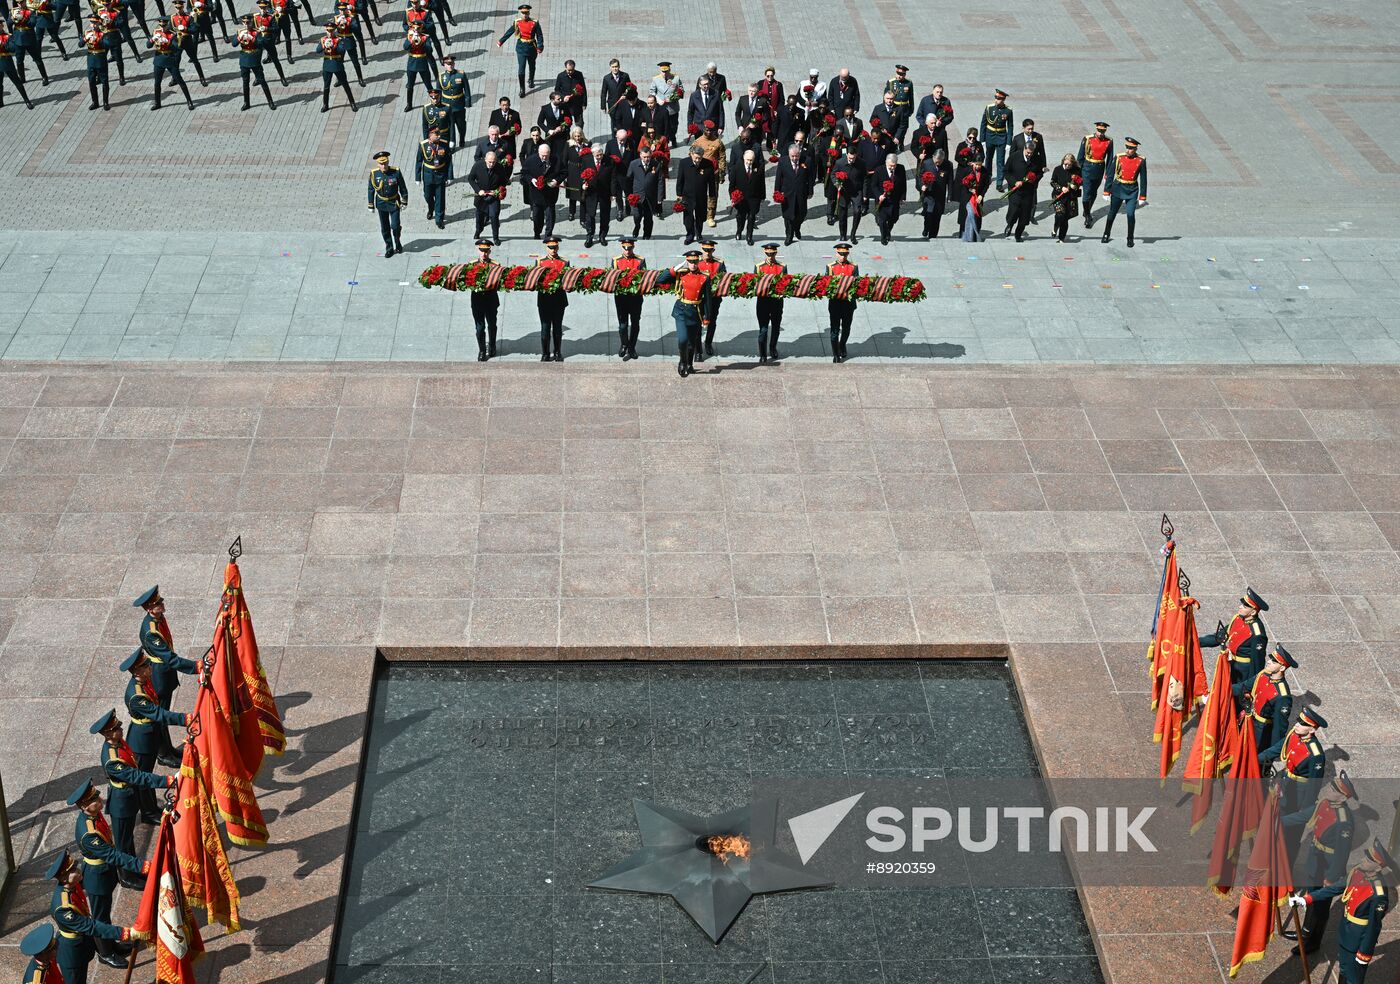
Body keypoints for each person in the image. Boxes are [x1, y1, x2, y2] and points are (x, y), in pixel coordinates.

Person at [67, 779, 148, 969]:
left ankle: (112, 945)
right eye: (95, 800)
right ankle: (105, 953)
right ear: (84, 806)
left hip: (105, 873)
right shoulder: (89, 834)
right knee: (100, 917)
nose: (100, 800)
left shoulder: (94, 815)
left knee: (105, 912)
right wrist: (142, 866)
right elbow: (112, 855)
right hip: (97, 878)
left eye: (97, 796)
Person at [1289, 839, 1394, 982]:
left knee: (1353, 978)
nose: (1363, 860)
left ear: (1378, 866)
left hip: (1358, 938)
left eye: (1369, 859)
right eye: (1366, 856)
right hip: (1346, 931)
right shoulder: (1357, 872)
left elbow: (1374, 927)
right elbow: (1335, 888)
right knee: (1344, 968)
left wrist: (1364, 953)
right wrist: (1307, 899)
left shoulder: (1378, 894)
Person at [91, 707, 175, 872]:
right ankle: (127, 876)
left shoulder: (119, 743)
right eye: (116, 728)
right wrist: (168, 781)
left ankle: (133, 869)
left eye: (118, 726)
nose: (121, 729)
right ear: (107, 734)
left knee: (128, 838)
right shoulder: (112, 760)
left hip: (129, 795)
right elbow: (136, 776)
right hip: (121, 802)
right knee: (124, 842)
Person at [1283, 772, 1356, 955]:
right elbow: (1303, 816)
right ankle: (1305, 932)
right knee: (1311, 897)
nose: (1329, 789)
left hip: (1328, 867)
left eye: (1334, 788)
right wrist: (1277, 821)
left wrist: (1331, 878)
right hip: (1315, 859)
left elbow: (1341, 854)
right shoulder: (1325, 804)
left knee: (1321, 905)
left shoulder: (1344, 821)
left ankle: (1313, 941)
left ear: (1342, 796)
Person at [46, 855, 140, 982]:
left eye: (75, 867)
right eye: (72, 871)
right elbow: (91, 926)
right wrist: (126, 933)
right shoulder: (63, 909)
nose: (78, 871)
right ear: (64, 878)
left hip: (83, 944)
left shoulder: (72, 885)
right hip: (72, 953)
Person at [1198, 587, 1269, 690]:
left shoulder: (1257, 634)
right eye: (1242, 604)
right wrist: (1196, 641)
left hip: (1244, 672)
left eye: (1244, 606)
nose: (1240, 607)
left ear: (1253, 612)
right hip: (1231, 664)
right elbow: (1220, 637)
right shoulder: (1237, 618)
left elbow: (1257, 663)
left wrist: (1251, 687)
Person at [655, 249, 710, 377]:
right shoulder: (681, 274)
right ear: (687, 262)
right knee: (683, 340)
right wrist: (675, 268)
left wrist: (707, 316)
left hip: (696, 312)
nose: (693, 264)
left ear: (698, 261)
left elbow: (707, 299)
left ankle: (689, 364)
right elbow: (660, 280)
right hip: (681, 311)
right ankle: (682, 361)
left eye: (695, 261)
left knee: (691, 342)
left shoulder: (705, 277)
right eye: (690, 262)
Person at [1100, 136, 1147, 247]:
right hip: (1118, 188)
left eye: (1131, 148)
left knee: (1130, 214)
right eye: (1127, 147)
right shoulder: (1118, 157)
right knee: (1112, 213)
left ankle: (1130, 238)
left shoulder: (1141, 160)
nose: (1128, 150)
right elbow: (1110, 174)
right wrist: (1106, 191)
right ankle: (1106, 233)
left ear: (1135, 149)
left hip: (1132, 190)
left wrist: (1142, 196)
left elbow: (1143, 178)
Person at [147, 15, 194, 109]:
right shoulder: (156, 32)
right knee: (157, 83)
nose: (162, 27)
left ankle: (189, 101)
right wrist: (152, 39)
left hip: (170, 59)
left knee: (179, 80)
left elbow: (177, 48)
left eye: (164, 26)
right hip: (159, 59)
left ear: (167, 25)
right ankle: (157, 103)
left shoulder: (173, 34)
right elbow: (148, 46)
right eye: (161, 25)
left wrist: (167, 42)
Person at [534, 235, 568, 361]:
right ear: (546, 248)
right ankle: (545, 353)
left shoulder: (564, 262)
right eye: (550, 247)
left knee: (557, 328)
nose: (553, 250)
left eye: (554, 247)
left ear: (558, 247)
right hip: (544, 300)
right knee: (545, 328)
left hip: (559, 300)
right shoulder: (540, 262)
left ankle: (557, 352)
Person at [496, 2, 540, 97]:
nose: (525, 15)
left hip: (532, 47)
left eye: (526, 13)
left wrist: (540, 46)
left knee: (532, 65)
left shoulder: (534, 23)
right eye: (523, 13)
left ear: (529, 13)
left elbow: (539, 35)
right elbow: (510, 32)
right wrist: (501, 41)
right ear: (520, 13)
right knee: (521, 69)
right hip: (521, 48)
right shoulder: (517, 22)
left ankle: (531, 79)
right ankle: (522, 89)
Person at [311, 19, 356, 112]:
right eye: (328, 30)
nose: (330, 32)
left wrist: (333, 45)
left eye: (331, 30)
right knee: (326, 86)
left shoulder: (339, 40)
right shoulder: (323, 40)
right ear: (326, 30)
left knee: (345, 84)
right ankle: (325, 104)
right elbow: (318, 50)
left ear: (334, 30)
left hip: (337, 65)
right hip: (327, 66)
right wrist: (324, 45)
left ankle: (352, 103)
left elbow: (342, 50)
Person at [231, 14, 274, 109]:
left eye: (248, 23)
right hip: (244, 59)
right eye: (244, 23)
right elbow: (233, 44)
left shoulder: (257, 32)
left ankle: (270, 101)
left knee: (262, 80)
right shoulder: (240, 32)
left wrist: (252, 39)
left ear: (252, 22)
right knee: (245, 82)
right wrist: (239, 37)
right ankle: (246, 103)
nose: (246, 25)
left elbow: (261, 44)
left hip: (254, 59)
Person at [611, 236, 645, 360]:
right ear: (622, 248)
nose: (627, 251)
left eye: (629, 248)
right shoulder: (616, 261)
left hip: (635, 298)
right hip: (621, 298)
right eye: (625, 248)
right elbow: (613, 278)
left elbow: (644, 277)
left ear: (633, 247)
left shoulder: (640, 260)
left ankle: (632, 347)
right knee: (623, 325)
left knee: (635, 323)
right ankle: (624, 344)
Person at [773, 141, 813, 245]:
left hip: (801, 192)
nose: (795, 158)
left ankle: (796, 228)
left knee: (801, 214)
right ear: (789, 154)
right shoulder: (783, 161)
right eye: (792, 156)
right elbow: (778, 178)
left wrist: (810, 191)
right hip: (787, 193)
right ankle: (789, 235)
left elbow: (810, 177)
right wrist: (777, 192)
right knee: (788, 215)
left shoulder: (807, 161)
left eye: (797, 156)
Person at [367, 149, 406, 255]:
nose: (383, 166)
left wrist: (404, 200)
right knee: (385, 227)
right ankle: (389, 247)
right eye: (381, 164)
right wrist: (370, 204)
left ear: (388, 162)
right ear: (378, 164)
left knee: (395, 226)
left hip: (394, 202)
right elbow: (371, 189)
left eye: (385, 163)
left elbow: (402, 187)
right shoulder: (374, 174)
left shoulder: (396, 172)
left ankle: (397, 242)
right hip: (381, 203)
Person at [521, 140, 562, 239]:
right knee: (537, 216)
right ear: (538, 153)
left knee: (550, 216)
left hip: (550, 193)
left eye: (546, 156)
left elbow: (564, 172)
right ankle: (537, 233)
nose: (544, 158)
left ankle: (548, 234)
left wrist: (556, 181)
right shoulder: (530, 160)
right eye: (542, 155)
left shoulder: (556, 159)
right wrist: (532, 180)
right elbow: (524, 173)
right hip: (536, 194)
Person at [1076, 122, 1113, 228]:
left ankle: (1087, 210)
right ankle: (1088, 216)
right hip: (1087, 168)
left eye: (1103, 131)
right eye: (1099, 131)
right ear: (1096, 129)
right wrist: (1078, 173)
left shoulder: (1109, 141)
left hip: (1099, 168)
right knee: (1086, 193)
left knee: (1094, 192)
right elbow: (1080, 157)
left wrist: (1107, 173)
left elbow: (1110, 159)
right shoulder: (1087, 139)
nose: (1101, 133)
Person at [468, 239, 500, 360]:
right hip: (477, 301)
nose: (484, 253)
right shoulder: (472, 265)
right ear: (478, 250)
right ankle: (482, 350)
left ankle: (492, 346)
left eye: (486, 251)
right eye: (482, 250)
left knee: (492, 325)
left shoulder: (495, 265)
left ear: (489, 251)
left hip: (491, 300)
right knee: (479, 327)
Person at [1001, 141, 1040, 242]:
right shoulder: (1014, 157)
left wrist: (1033, 179)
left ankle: (1018, 234)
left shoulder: (1036, 159)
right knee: (1014, 211)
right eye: (1028, 153)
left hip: (1028, 192)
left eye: (1031, 153)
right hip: (1015, 191)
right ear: (1024, 149)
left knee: (1024, 215)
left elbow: (1039, 173)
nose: (1029, 155)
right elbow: (1006, 171)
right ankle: (1010, 225)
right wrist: (1014, 182)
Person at [467, 149, 508, 243]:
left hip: (494, 196)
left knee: (494, 216)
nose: (491, 164)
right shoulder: (478, 165)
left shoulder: (499, 167)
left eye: (493, 162)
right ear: (485, 159)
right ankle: (478, 231)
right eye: (489, 162)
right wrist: (478, 190)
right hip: (481, 196)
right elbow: (470, 179)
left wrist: (498, 191)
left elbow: (504, 181)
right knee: (480, 216)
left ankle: (496, 237)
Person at [414, 126, 451, 228]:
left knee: (440, 198)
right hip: (428, 175)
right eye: (436, 134)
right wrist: (417, 178)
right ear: (430, 135)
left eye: (439, 134)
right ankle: (431, 208)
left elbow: (449, 161)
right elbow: (419, 162)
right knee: (427, 196)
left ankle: (439, 219)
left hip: (440, 174)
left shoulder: (444, 144)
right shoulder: (423, 145)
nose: (439, 136)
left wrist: (449, 176)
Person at [827, 242, 858, 362]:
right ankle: (835, 354)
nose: (843, 257)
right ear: (836, 253)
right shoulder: (831, 267)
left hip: (848, 304)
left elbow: (857, 283)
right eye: (841, 254)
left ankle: (842, 345)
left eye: (845, 254)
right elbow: (827, 283)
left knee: (846, 328)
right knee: (834, 329)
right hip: (835, 303)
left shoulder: (853, 267)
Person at [754, 241, 785, 363]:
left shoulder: (782, 267)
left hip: (777, 302)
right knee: (763, 329)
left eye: (772, 254)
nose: (770, 256)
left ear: (775, 253)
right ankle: (763, 354)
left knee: (776, 327)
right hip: (763, 302)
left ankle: (772, 347)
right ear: (765, 253)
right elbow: (755, 284)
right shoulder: (759, 267)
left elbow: (785, 283)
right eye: (768, 254)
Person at [693, 239, 724, 360]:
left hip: (713, 299)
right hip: (698, 298)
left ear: (713, 250)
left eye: (710, 250)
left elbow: (723, 280)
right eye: (705, 250)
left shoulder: (719, 263)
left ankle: (708, 343)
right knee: (697, 323)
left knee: (712, 321)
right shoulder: (696, 262)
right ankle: (698, 350)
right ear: (701, 249)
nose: (707, 252)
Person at [691, 119, 725, 227]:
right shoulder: (698, 142)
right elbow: (691, 155)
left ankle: (710, 216)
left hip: (713, 173)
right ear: (703, 129)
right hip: (700, 172)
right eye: (707, 130)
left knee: (713, 194)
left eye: (711, 130)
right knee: (700, 194)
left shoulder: (718, 142)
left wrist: (721, 172)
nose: (709, 132)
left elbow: (722, 158)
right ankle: (701, 213)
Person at [829, 144, 866, 242]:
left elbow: (865, 178)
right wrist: (837, 184)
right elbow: (833, 175)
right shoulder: (839, 163)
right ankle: (843, 235)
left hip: (856, 191)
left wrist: (865, 194)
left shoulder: (861, 163)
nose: (851, 160)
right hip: (844, 191)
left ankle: (853, 234)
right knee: (842, 214)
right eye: (850, 158)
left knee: (857, 212)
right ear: (847, 155)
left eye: (853, 158)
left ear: (856, 155)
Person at [675, 143, 710, 245]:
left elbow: (711, 181)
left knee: (700, 217)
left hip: (701, 196)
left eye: (700, 158)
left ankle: (699, 233)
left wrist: (712, 194)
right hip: (687, 196)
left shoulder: (708, 164)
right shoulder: (684, 163)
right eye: (696, 158)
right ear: (691, 154)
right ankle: (690, 235)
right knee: (688, 219)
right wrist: (679, 194)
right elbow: (680, 179)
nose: (697, 160)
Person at [580, 143, 614, 247]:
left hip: (605, 192)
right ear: (592, 154)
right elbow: (581, 175)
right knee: (590, 215)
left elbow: (613, 178)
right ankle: (590, 236)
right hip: (591, 192)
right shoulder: (586, 160)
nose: (599, 157)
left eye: (601, 154)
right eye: (597, 155)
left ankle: (602, 236)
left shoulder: (609, 161)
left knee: (605, 215)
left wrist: (613, 193)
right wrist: (583, 185)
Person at [979, 88, 1013, 191]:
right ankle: (987, 177)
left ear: (1003, 100)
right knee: (988, 158)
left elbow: (1010, 126)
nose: (996, 100)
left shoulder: (1008, 110)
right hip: (990, 136)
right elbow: (983, 123)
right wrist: (982, 139)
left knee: (1000, 161)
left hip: (1002, 137)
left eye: (998, 98)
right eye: (996, 98)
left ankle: (999, 182)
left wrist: (1009, 142)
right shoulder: (989, 108)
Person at [626, 143, 661, 239]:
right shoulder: (633, 164)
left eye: (648, 157)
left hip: (650, 196)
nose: (646, 159)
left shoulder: (656, 164)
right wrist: (629, 194)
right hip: (637, 197)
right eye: (644, 157)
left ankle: (647, 235)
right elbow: (628, 180)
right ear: (640, 155)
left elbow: (660, 181)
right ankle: (637, 226)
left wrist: (660, 197)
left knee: (648, 217)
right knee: (637, 215)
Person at [729, 147, 763, 245]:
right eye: (747, 160)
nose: (749, 162)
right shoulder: (736, 168)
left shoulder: (759, 167)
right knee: (741, 217)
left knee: (752, 217)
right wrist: (733, 197)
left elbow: (762, 183)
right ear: (744, 158)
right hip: (741, 199)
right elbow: (732, 185)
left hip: (754, 198)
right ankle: (739, 231)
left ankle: (749, 236)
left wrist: (762, 197)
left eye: (751, 160)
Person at [168, 0, 204, 87]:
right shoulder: (172, 17)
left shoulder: (188, 17)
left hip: (187, 41)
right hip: (177, 42)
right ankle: (175, 78)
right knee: (175, 62)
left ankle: (202, 78)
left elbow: (194, 29)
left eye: (180, 7)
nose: (178, 9)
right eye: (176, 8)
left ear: (183, 7)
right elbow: (170, 29)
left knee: (195, 60)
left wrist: (185, 29)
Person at [251, 0, 287, 86]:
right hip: (259, 41)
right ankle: (258, 78)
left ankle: (282, 77)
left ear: (267, 8)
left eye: (264, 8)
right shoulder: (255, 17)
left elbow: (276, 28)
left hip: (268, 41)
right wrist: (257, 31)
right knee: (256, 61)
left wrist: (267, 29)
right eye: (261, 8)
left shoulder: (271, 17)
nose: (263, 10)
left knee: (275, 60)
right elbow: (252, 28)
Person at [872, 152, 905, 245]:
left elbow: (903, 184)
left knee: (894, 218)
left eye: (894, 166)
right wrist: (879, 195)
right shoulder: (879, 170)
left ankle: (887, 231)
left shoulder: (901, 168)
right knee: (882, 220)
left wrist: (902, 197)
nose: (892, 168)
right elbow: (873, 185)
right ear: (886, 162)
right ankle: (883, 236)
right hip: (882, 200)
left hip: (895, 199)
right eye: (890, 165)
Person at [919, 148, 952, 239]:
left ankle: (933, 236)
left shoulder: (948, 165)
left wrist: (949, 195)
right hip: (929, 194)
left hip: (940, 195)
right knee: (928, 214)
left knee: (937, 216)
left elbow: (950, 181)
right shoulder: (926, 163)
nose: (937, 163)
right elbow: (920, 176)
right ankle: (926, 228)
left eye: (939, 162)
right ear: (933, 157)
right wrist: (922, 185)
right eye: (936, 161)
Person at [438, 54, 470, 147]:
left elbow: (466, 89)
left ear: (454, 64)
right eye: (448, 64)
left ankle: (462, 139)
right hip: (447, 106)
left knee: (461, 125)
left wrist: (467, 102)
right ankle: (452, 144)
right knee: (449, 126)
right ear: (444, 65)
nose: (450, 66)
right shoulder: (441, 76)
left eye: (451, 64)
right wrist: (439, 106)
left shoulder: (461, 74)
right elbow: (438, 92)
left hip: (459, 105)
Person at [1049, 153, 1081, 242]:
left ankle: (1061, 238)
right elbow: (1052, 182)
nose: (1067, 166)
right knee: (1060, 214)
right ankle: (1055, 228)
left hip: (1070, 197)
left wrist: (1075, 186)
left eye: (1069, 165)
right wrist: (1061, 188)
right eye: (1065, 164)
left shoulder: (1077, 170)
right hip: (1058, 196)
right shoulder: (1058, 169)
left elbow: (1080, 182)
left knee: (1065, 218)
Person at [401, 25, 435, 110]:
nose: (416, 29)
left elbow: (430, 50)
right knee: (410, 86)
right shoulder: (410, 36)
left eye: (418, 28)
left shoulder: (425, 37)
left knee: (428, 85)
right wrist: (411, 40)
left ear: (421, 28)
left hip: (422, 63)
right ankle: (409, 104)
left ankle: (435, 101)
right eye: (414, 28)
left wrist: (421, 43)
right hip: (412, 63)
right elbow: (405, 47)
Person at [914, 83, 952, 155]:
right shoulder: (925, 100)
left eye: (941, 92)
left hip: (938, 132)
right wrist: (926, 124)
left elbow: (950, 117)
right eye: (937, 92)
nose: (939, 94)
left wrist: (942, 123)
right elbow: (919, 115)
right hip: (925, 131)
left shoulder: (946, 101)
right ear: (933, 91)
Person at [882, 64, 913, 150]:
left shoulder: (909, 83)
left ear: (905, 75)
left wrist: (911, 109)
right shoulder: (891, 82)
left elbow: (911, 97)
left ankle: (901, 141)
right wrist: (885, 108)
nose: (900, 76)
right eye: (898, 74)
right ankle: (895, 143)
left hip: (905, 108)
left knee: (904, 126)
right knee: (895, 126)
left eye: (902, 74)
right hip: (895, 107)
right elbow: (885, 96)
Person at [649, 59, 681, 141]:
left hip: (672, 107)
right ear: (660, 71)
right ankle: (664, 141)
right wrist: (658, 99)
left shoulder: (676, 78)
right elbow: (652, 91)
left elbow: (681, 91)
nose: (664, 73)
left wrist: (673, 97)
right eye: (663, 71)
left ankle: (673, 138)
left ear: (669, 70)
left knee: (674, 126)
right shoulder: (655, 79)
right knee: (662, 125)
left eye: (666, 71)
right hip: (661, 107)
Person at [78, 15, 105, 109]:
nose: (93, 25)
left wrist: (97, 40)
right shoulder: (87, 32)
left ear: (99, 23)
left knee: (104, 81)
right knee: (91, 81)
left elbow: (107, 44)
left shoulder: (103, 33)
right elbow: (80, 44)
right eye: (91, 23)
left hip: (100, 58)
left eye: (94, 23)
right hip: (91, 60)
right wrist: (85, 38)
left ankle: (105, 102)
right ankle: (95, 102)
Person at [687, 73, 723, 138]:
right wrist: (690, 126)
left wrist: (721, 126)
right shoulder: (694, 95)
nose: (706, 86)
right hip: (699, 127)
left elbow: (721, 111)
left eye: (707, 84)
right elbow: (690, 112)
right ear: (699, 85)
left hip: (713, 127)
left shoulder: (716, 94)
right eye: (704, 84)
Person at [599, 56, 629, 124]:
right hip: (612, 105)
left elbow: (629, 88)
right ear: (610, 67)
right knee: (614, 123)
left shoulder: (625, 76)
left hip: (623, 103)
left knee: (623, 122)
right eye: (613, 67)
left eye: (616, 66)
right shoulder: (606, 78)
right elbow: (603, 93)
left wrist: (626, 96)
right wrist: (603, 106)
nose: (615, 69)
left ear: (619, 67)